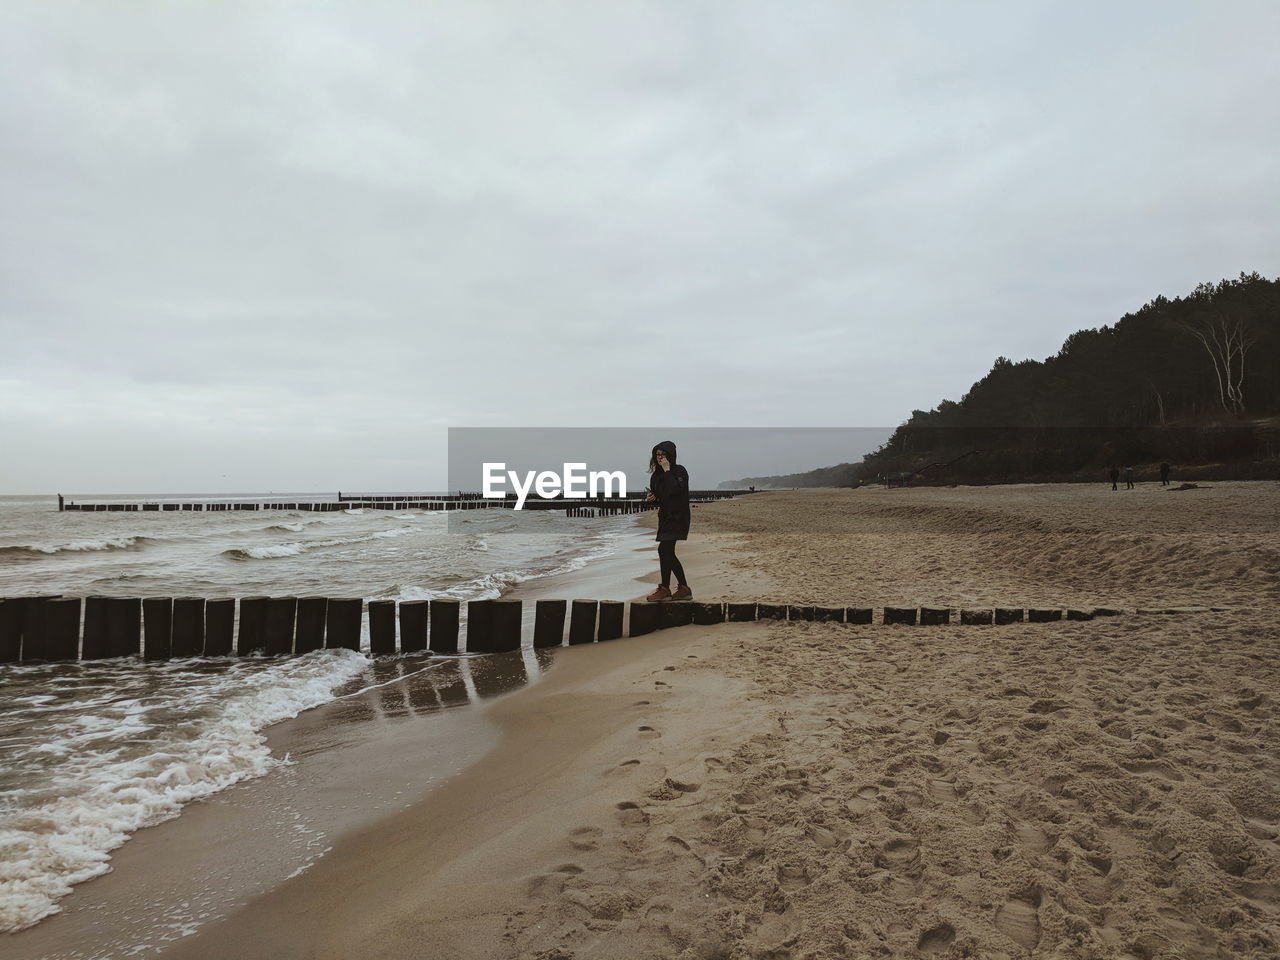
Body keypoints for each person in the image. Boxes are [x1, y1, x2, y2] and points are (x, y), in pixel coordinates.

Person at [644, 440, 692, 601]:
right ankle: (683, 588)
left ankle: (666, 588)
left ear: (671, 455)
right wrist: (652, 498)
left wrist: (667, 470)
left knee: (664, 550)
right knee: (667, 551)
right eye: (657, 455)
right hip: (665, 516)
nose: (660, 458)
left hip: (679, 516)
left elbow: (676, 490)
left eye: (663, 455)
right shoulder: (656, 476)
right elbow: (662, 497)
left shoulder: (679, 471)